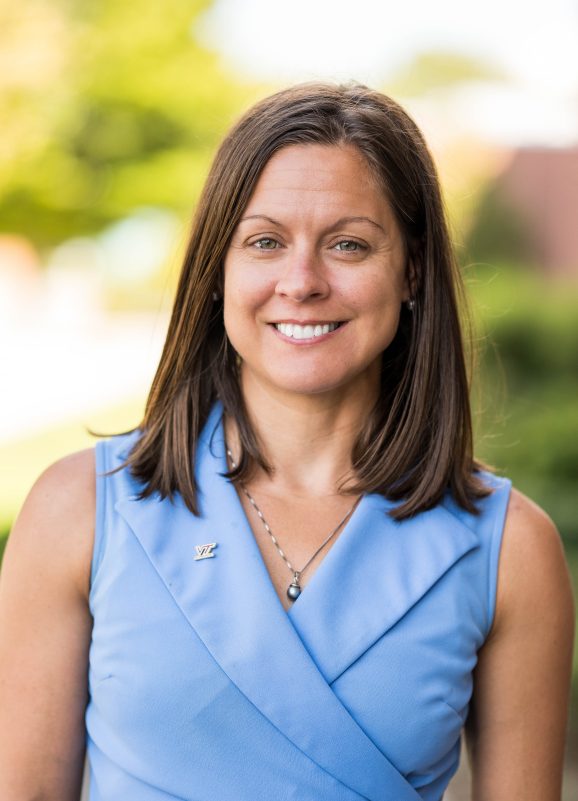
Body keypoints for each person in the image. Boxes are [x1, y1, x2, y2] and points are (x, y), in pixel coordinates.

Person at [0, 82, 574, 801]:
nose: (301, 281)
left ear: (413, 271)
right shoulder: (77, 511)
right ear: (219, 269)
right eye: (265, 241)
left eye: (349, 244)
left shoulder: (510, 549)